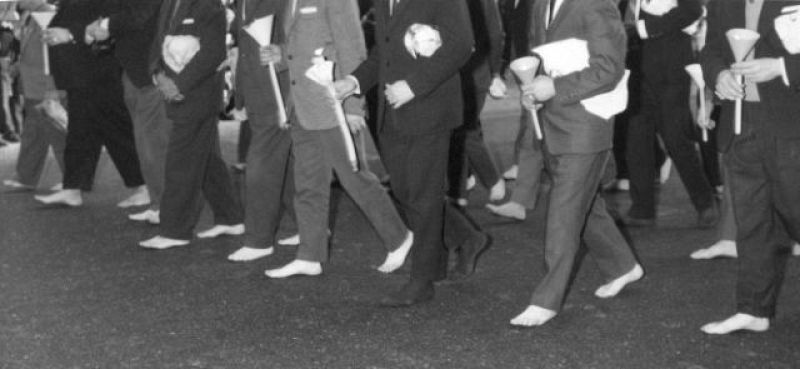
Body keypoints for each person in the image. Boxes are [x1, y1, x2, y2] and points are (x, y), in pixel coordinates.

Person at [336, 0, 489, 306]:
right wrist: (354, 82)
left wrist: (414, 86)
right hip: (392, 110)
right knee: (406, 192)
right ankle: (465, 237)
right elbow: (385, 50)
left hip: (430, 106)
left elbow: (461, 44)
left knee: (423, 195)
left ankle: (423, 279)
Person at [509, 0, 643, 327]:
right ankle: (623, 265)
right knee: (585, 204)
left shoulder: (596, 4)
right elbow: (541, 60)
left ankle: (546, 300)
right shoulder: (542, 4)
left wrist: (553, 87)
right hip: (554, 120)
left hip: (586, 126)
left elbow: (609, 68)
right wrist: (532, 89)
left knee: (564, 211)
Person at [262, 0, 413, 278]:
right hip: (301, 104)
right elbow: (301, 49)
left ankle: (399, 237)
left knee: (354, 178)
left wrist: (354, 106)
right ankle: (309, 255)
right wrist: (279, 54)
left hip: (332, 104)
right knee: (307, 183)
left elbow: (352, 49)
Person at [698, 0, 800, 334]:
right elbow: (711, 48)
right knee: (752, 222)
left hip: (791, 125)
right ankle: (753, 309)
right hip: (741, 125)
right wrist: (719, 76)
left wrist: (782, 67)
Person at [139, 0, 244, 249]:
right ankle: (230, 217)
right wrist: (158, 74)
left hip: (197, 95)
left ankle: (174, 230)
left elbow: (212, 53)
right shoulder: (169, 5)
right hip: (175, 91)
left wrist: (179, 85)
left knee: (180, 161)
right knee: (205, 157)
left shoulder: (210, 7)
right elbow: (157, 42)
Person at [36, 0, 148, 209]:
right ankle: (73, 187)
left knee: (115, 129)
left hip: (98, 69)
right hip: (82, 71)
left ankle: (142, 184)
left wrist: (70, 34)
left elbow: (111, 21)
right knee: (81, 131)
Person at [623, 0, 718, 228]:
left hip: (673, 68)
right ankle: (642, 208)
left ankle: (705, 202)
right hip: (637, 66)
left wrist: (647, 28)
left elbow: (693, 10)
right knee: (637, 138)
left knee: (676, 137)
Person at [83, 0, 170, 224]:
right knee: (144, 142)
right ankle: (158, 202)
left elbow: (140, 14)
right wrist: (102, 28)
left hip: (150, 70)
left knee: (153, 143)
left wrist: (105, 24)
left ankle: (166, 206)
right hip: (134, 70)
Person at [224, 0, 298, 262]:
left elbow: (304, 36)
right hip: (257, 93)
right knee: (285, 164)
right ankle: (310, 226)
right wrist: (240, 98)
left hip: (279, 93)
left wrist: (283, 53)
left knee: (260, 164)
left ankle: (259, 240)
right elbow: (243, 51)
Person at [2, 0, 66, 191]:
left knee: (58, 133)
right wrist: (17, 67)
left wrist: (53, 88)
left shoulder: (50, 16)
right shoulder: (30, 17)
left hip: (47, 86)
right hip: (33, 85)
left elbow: (57, 53)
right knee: (34, 135)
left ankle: (73, 179)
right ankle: (26, 177)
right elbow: (31, 51)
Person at [447, 0, 506, 206]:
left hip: (473, 75)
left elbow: (495, 34)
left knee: (464, 132)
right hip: (456, 75)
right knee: (460, 131)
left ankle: (490, 180)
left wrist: (495, 72)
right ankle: (461, 188)